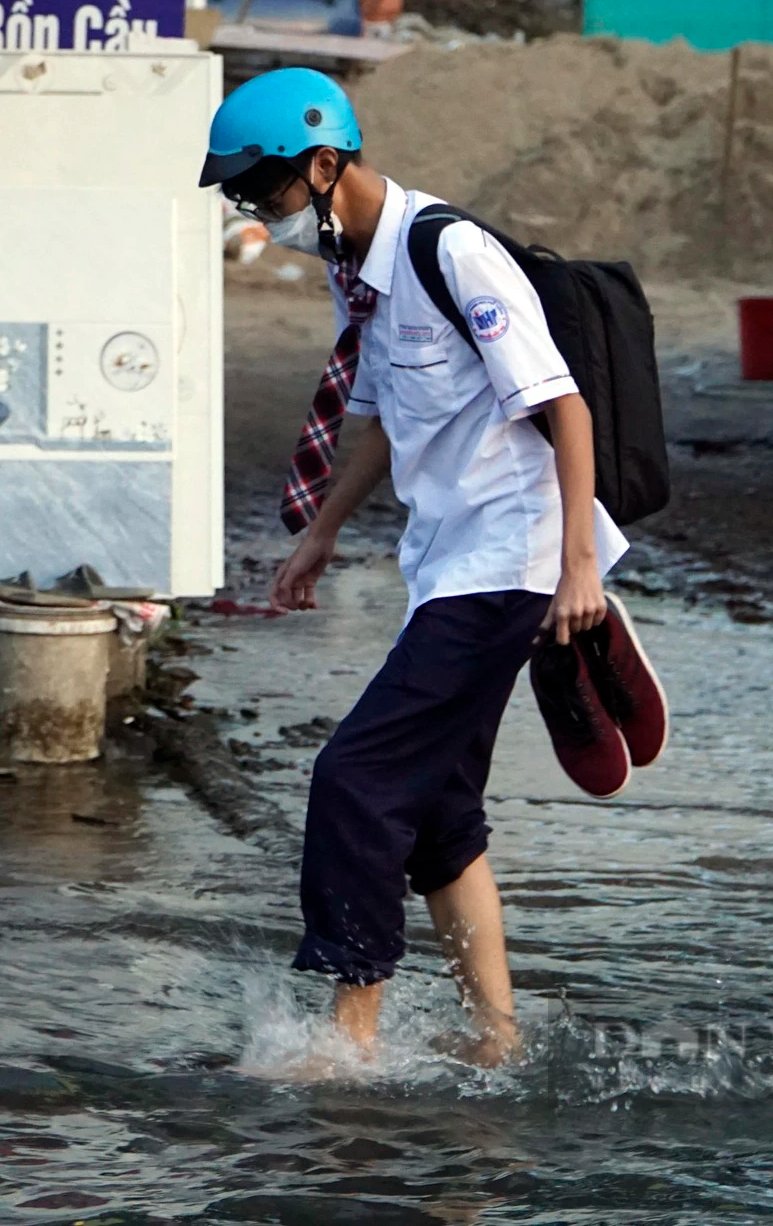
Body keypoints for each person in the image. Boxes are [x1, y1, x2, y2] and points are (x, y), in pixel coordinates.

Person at [198, 69, 655, 1069]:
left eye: (260, 193)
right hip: (446, 564)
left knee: (354, 779)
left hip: (512, 559)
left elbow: (564, 407)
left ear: (323, 164)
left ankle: (348, 1035)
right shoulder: (355, 268)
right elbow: (385, 419)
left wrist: (578, 566)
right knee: (439, 813)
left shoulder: (447, 252)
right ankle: (497, 1040)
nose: (255, 214)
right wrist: (321, 532)